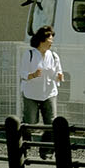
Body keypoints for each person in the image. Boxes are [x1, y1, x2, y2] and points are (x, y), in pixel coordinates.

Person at [20, 26, 63, 156]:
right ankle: (24, 145)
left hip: (49, 92)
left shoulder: (54, 56)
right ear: (42, 40)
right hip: (31, 93)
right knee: (30, 122)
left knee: (50, 123)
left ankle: (46, 150)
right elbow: (22, 73)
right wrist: (32, 75)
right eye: (50, 39)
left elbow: (57, 72)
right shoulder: (30, 54)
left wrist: (59, 76)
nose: (51, 42)